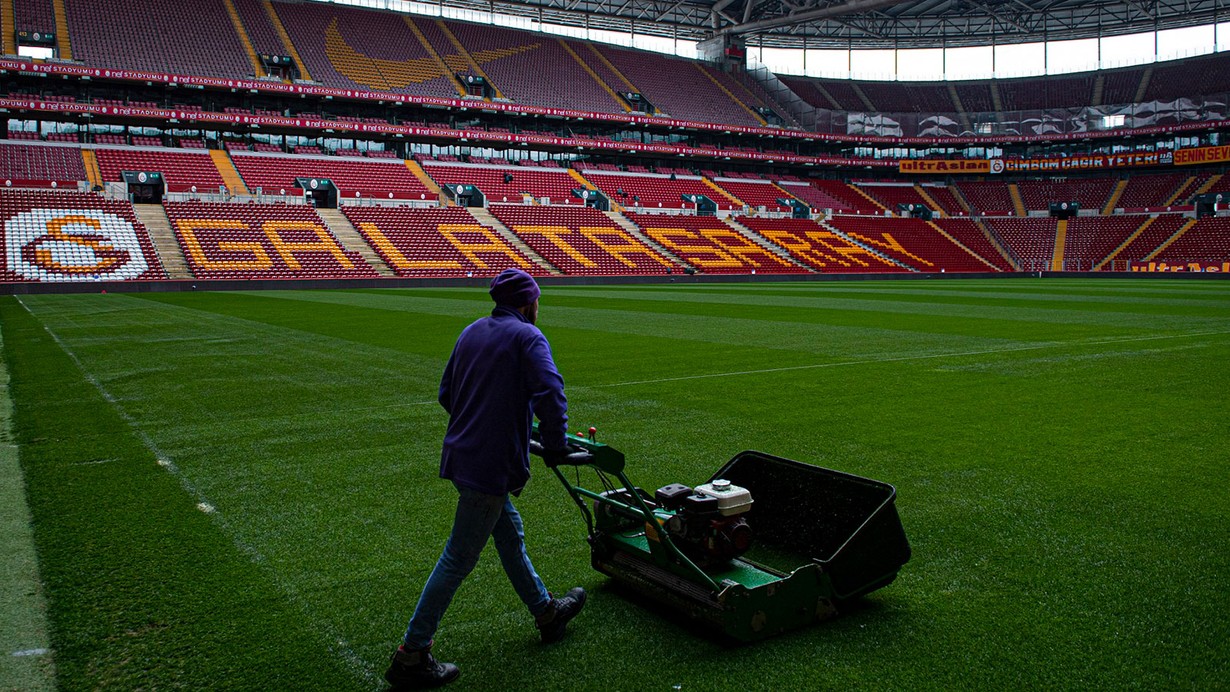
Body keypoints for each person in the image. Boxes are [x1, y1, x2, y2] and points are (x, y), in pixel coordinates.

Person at [385, 268, 586, 689]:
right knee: (458, 557)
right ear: (527, 303)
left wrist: (478, 423)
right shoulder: (528, 337)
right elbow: (551, 391)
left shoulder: (472, 331)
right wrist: (555, 444)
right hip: (488, 467)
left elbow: (446, 393)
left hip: (462, 456)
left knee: (510, 536)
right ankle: (412, 654)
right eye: (537, 300)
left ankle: (547, 614)